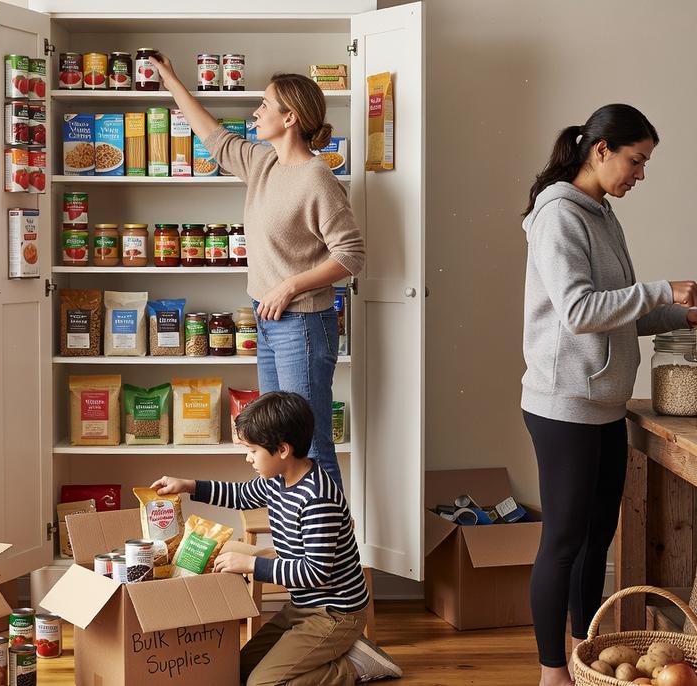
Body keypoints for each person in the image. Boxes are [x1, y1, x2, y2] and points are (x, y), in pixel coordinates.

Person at [519, 104, 697, 686]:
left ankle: (583, 657)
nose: (640, 174)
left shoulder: (601, 213)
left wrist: (682, 315)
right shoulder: (558, 215)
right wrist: (659, 289)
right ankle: (552, 673)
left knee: (596, 537)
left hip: (603, 405)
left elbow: (616, 315)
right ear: (600, 150)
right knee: (563, 542)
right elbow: (578, 312)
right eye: (636, 160)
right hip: (564, 404)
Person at [151, 53, 363, 489]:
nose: (256, 112)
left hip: (301, 323)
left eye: (265, 105)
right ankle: (291, 542)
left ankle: (329, 551)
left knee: (310, 443)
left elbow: (351, 254)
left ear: (290, 118)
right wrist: (172, 80)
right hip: (268, 319)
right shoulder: (262, 162)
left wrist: (288, 287)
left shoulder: (317, 178)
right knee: (274, 440)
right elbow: (213, 136)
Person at [151, 392, 401, 685]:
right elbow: (241, 495)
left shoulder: (317, 497)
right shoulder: (277, 480)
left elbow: (315, 572)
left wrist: (251, 564)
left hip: (335, 613)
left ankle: (354, 666)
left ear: (282, 450)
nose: (248, 458)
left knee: (263, 683)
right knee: (237, 669)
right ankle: (327, 654)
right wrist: (187, 485)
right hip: (302, 607)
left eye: (253, 450)